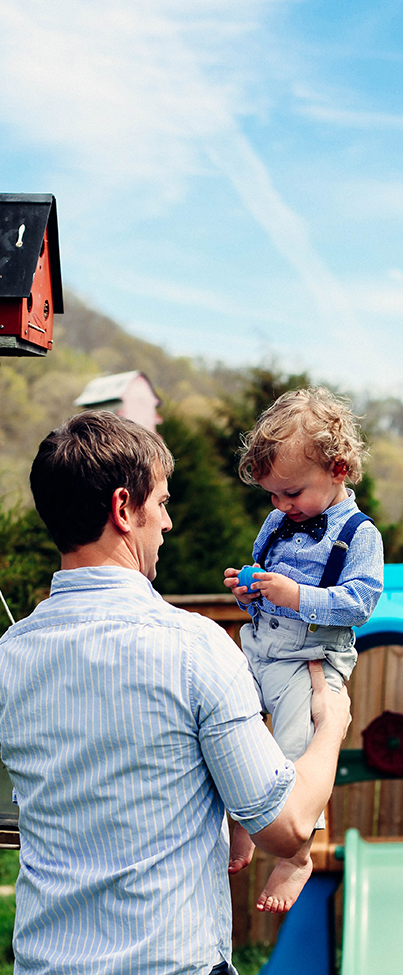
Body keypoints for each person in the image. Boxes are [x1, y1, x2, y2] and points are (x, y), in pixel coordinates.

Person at [0, 410, 351, 975]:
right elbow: (288, 827)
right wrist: (331, 727)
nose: (169, 523)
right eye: (162, 503)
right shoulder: (195, 650)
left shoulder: (7, 659)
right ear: (124, 508)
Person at [224, 387, 383, 915]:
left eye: (290, 493)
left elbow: (359, 603)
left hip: (310, 660)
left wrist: (299, 597)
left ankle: (297, 853)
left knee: (295, 747)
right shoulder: (277, 523)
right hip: (263, 643)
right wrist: (250, 592)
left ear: (338, 469)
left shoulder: (360, 535)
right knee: (227, 720)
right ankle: (242, 824)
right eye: (272, 496)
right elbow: (267, 589)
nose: (281, 507)